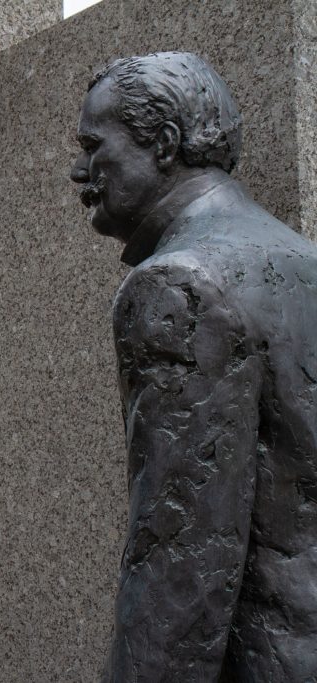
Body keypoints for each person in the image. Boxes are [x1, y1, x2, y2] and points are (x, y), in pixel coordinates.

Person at [71, 52, 317, 681]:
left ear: (165, 144)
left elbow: (180, 564)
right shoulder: (306, 261)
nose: (80, 173)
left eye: (94, 147)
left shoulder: (178, 284)